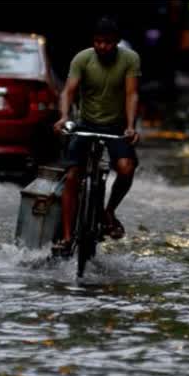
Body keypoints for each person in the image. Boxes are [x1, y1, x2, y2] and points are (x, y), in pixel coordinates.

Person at [52, 17, 141, 257]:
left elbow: (131, 94)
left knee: (126, 168)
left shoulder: (129, 59)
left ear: (117, 42)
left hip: (117, 126)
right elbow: (68, 91)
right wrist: (63, 117)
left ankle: (109, 211)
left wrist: (131, 126)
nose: (103, 47)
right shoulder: (82, 58)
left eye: (108, 42)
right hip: (85, 124)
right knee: (72, 176)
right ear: (93, 42)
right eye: (99, 42)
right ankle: (68, 236)